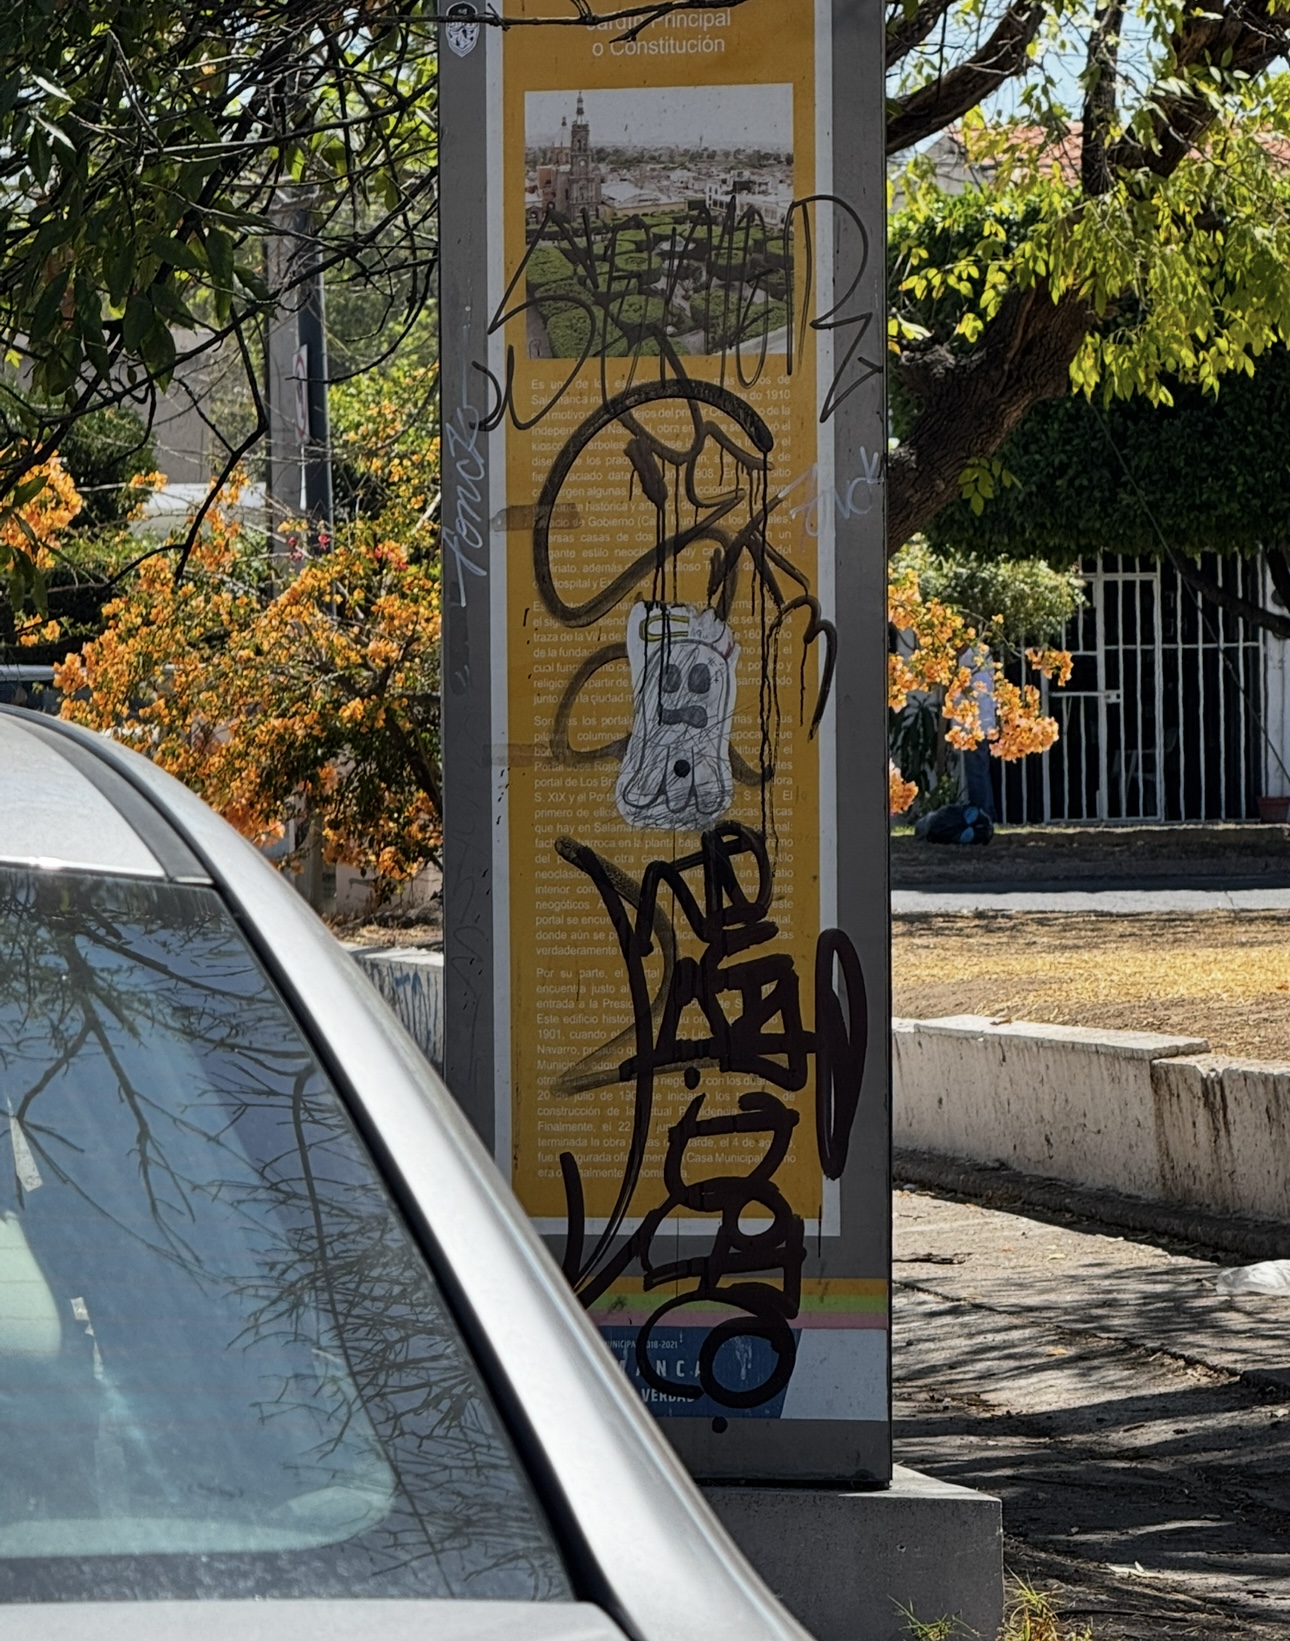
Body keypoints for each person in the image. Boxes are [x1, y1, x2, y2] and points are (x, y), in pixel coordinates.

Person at [960, 644, 997, 821]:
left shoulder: (968, 666)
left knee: (976, 771)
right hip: (984, 726)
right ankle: (986, 812)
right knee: (981, 770)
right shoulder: (987, 669)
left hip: (973, 728)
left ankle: (982, 814)